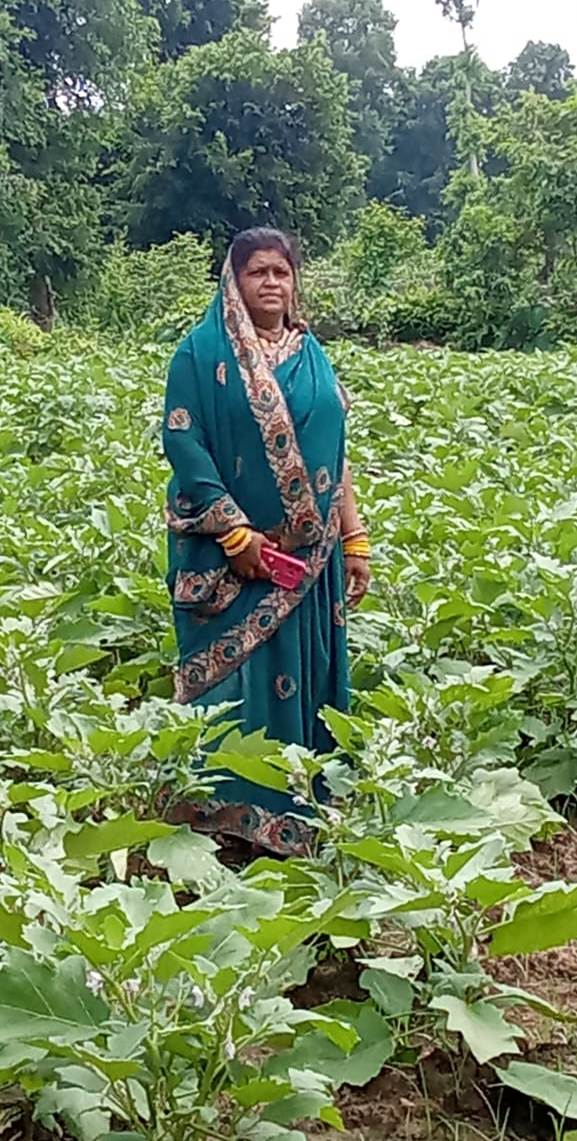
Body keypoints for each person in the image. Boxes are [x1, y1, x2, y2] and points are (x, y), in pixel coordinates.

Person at [163, 227, 370, 855]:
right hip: (233, 560)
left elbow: (337, 457)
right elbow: (183, 440)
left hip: (308, 562)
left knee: (303, 676)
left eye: (281, 271)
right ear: (234, 280)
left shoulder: (313, 357)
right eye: (258, 272)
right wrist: (234, 532)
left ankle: (298, 819)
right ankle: (225, 820)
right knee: (239, 685)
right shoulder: (200, 354)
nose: (272, 283)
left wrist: (355, 538)